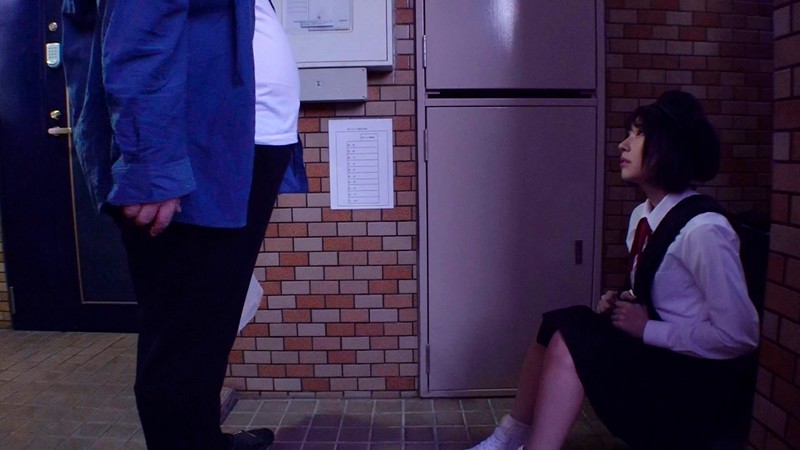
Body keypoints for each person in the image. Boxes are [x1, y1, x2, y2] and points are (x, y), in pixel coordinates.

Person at [469, 91, 760, 450]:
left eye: (639, 133)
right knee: (558, 322)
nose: (623, 144)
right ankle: (510, 437)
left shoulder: (705, 230)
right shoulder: (642, 216)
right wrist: (622, 302)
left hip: (692, 384)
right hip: (657, 358)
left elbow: (740, 336)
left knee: (572, 338)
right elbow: (668, 293)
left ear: (669, 146)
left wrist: (647, 328)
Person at [61, 0, 294, 448]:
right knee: (181, 341)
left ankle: (204, 439)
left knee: (207, 330)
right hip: (196, 155)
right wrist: (151, 164)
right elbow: (139, 34)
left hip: (233, 146)